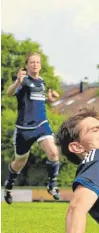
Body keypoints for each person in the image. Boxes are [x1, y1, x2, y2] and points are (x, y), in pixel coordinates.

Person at [3, 52, 61, 204]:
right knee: (19, 162)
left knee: (53, 153)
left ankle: (52, 186)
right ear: (27, 65)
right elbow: (8, 93)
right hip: (24, 129)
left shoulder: (41, 82)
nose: (35, 64)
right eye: (32, 62)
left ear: (40, 66)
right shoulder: (23, 81)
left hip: (41, 125)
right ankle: (8, 187)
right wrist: (16, 82)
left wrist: (50, 99)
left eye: (37, 62)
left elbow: (39, 101)